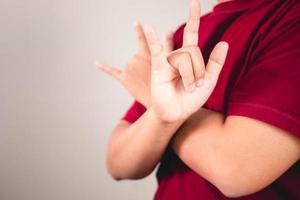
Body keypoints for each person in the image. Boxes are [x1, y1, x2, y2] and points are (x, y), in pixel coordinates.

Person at [97, 0, 300, 199]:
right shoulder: (184, 36)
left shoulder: (291, 18)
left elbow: (235, 170)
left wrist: (150, 95)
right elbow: (117, 163)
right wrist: (161, 115)